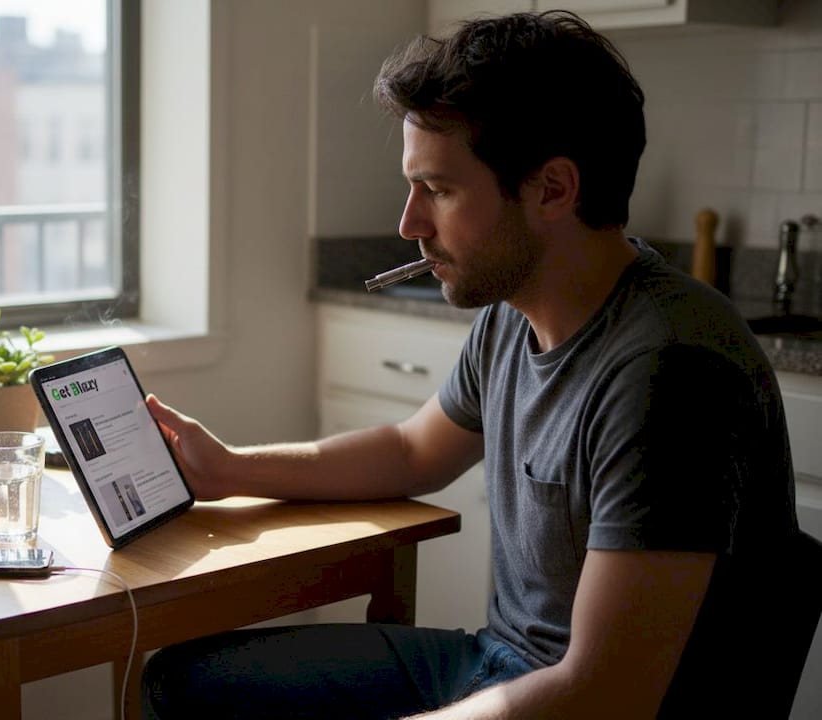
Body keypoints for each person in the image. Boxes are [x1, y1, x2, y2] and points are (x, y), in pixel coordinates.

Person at [140, 10, 798, 720]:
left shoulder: (670, 369)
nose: (409, 224)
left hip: (579, 702)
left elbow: (607, 693)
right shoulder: (512, 316)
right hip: (499, 664)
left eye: (440, 189)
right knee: (181, 684)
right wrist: (228, 467)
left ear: (552, 189)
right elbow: (410, 450)